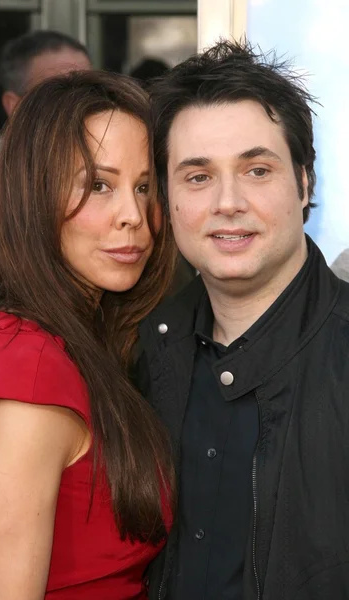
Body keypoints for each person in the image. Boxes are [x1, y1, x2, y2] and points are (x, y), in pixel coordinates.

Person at [0, 70, 175, 600]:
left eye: (144, 187)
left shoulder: (79, 336)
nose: (133, 216)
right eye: (99, 185)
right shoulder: (30, 371)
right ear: (35, 196)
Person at [135, 40, 349, 599]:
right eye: (198, 176)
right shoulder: (137, 353)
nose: (228, 202)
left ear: (305, 183)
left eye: (256, 170)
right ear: (167, 197)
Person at [0, 30, 92, 345]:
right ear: (14, 105)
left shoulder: (127, 194)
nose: (78, 108)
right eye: (55, 94)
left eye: (90, 92)